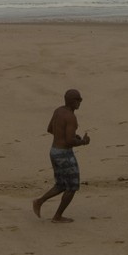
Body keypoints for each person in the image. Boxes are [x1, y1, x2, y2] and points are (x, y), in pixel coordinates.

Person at [32, 89, 91, 223]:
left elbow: (50, 129)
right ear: (72, 101)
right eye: (78, 100)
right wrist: (83, 142)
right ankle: (57, 216)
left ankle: (39, 202)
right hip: (64, 155)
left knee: (61, 185)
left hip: (54, 151)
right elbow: (70, 141)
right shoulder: (70, 117)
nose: (80, 102)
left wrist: (65, 136)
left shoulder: (58, 111)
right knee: (72, 186)